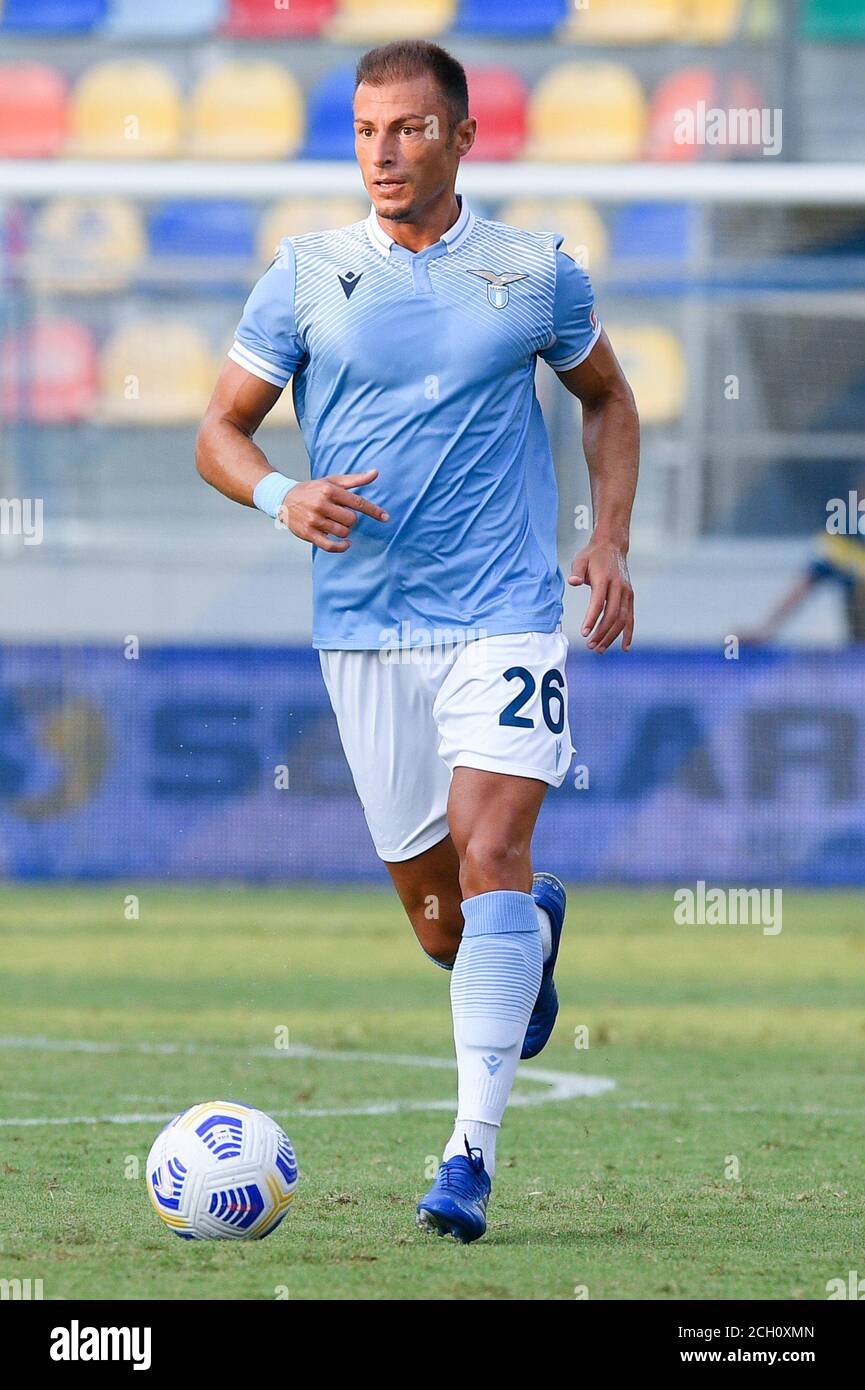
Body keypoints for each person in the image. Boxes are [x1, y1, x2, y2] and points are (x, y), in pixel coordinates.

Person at [196, 39, 639, 1244]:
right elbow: (220, 431)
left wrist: (605, 540)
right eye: (364, 132)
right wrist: (279, 495)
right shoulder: (303, 272)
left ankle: (467, 1159)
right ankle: (525, 927)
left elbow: (608, 396)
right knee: (445, 928)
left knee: (491, 847)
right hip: (363, 631)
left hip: (503, 610)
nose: (383, 154)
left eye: (408, 130)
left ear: (460, 138)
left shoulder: (532, 270)